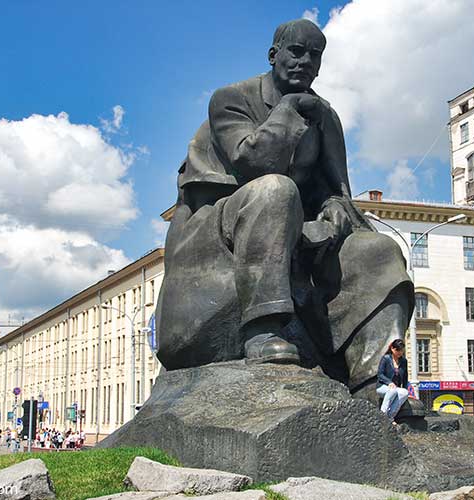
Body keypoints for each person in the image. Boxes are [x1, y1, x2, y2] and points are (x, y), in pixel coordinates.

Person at [155, 18, 413, 394]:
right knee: (276, 190)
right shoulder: (231, 99)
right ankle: (262, 330)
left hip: (295, 238)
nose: (305, 61)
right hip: (214, 236)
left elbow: (336, 189)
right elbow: (255, 163)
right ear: (273, 55)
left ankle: (375, 380)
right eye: (296, 51)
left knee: (378, 250)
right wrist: (289, 110)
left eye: (315, 55)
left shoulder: (324, 116)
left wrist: (334, 207)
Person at [376, 339, 409, 424]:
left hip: (395, 388)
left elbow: (405, 377)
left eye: (401, 350)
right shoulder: (386, 358)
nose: (400, 352)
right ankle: (382, 416)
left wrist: (406, 389)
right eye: (397, 350)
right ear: (392, 349)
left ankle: (390, 417)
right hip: (382, 386)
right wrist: (389, 382)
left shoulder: (404, 361)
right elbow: (380, 374)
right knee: (392, 390)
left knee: (404, 392)